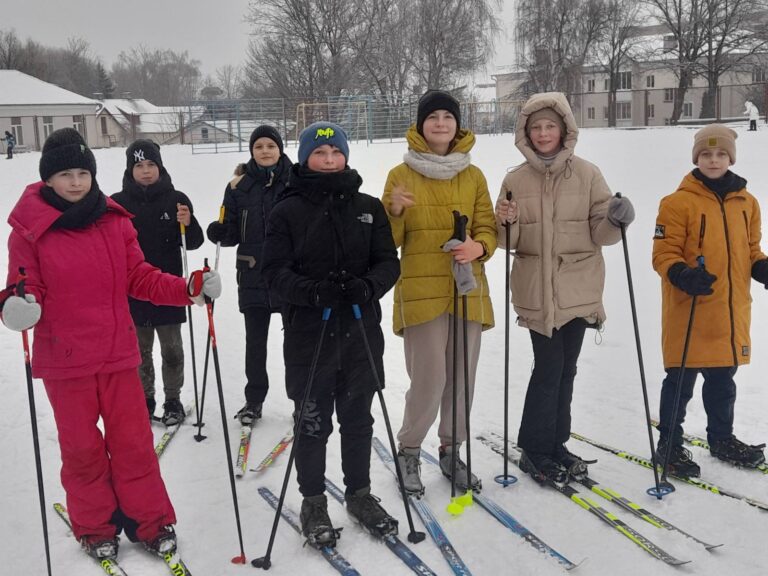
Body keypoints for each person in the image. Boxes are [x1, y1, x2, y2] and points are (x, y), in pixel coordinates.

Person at [1, 128, 221, 561]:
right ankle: (96, 525)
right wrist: (17, 305)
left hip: (119, 354)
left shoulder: (114, 220)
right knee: (83, 452)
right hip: (67, 361)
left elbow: (140, 277)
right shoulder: (29, 230)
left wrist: (188, 289)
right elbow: (24, 286)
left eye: (83, 171)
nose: (77, 181)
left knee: (134, 444)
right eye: (66, 173)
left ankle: (150, 520)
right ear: (48, 178)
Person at [261, 121, 400, 547]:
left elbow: (387, 263)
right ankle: (314, 500)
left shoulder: (368, 206)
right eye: (319, 154)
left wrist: (368, 286)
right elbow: (274, 273)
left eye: (335, 153)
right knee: (313, 421)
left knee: (358, 420)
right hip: (310, 333)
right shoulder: (286, 209)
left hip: (359, 330)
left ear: (345, 156)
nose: (328, 160)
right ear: (305, 158)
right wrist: (313, 291)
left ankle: (359, 494)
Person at [495, 92, 635, 484]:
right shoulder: (514, 179)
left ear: (564, 130)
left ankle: (556, 443)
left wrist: (616, 219)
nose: (543, 134)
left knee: (566, 370)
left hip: (578, 287)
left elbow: (601, 232)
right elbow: (508, 241)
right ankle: (535, 448)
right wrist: (506, 221)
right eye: (536, 127)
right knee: (549, 367)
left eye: (549, 126)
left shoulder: (588, 174)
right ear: (526, 132)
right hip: (537, 290)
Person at [381, 89, 497, 496]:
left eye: (448, 117)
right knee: (429, 379)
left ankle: (452, 450)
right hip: (421, 291)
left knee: (461, 379)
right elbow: (388, 241)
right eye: (433, 118)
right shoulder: (401, 174)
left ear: (457, 125)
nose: (441, 124)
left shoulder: (474, 175)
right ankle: (409, 450)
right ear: (421, 124)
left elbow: (488, 227)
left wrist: (478, 247)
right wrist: (393, 211)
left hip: (466, 290)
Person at [652, 123, 767, 477]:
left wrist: (762, 268)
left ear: (730, 157)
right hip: (689, 308)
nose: (713, 160)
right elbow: (663, 253)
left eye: (720, 154)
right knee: (680, 383)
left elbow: (751, 250)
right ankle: (668, 446)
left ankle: (722, 438)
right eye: (706, 154)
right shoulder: (676, 202)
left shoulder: (747, 202)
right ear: (696, 157)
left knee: (723, 383)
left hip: (728, 312)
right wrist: (682, 274)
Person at [111, 139, 204, 425]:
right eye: (139, 166)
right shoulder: (117, 203)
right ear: (130, 170)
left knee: (172, 350)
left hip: (168, 289)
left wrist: (188, 223)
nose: (146, 171)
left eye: (151, 165)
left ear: (160, 167)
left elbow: (195, 242)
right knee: (140, 351)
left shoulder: (176, 199)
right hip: (133, 290)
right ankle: (145, 398)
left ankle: (173, 399)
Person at [206, 125, 292, 426]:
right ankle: (254, 400)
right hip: (253, 272)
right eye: (259, 147)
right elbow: (229, 230)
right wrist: (220, 232)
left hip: (290, 273)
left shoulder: (296, 181)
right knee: (255, 343)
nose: (265, 151)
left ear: (280, 149)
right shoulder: (238, 187)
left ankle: (301, 398)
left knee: (295, 342)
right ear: (252, 151)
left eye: (271, 145)